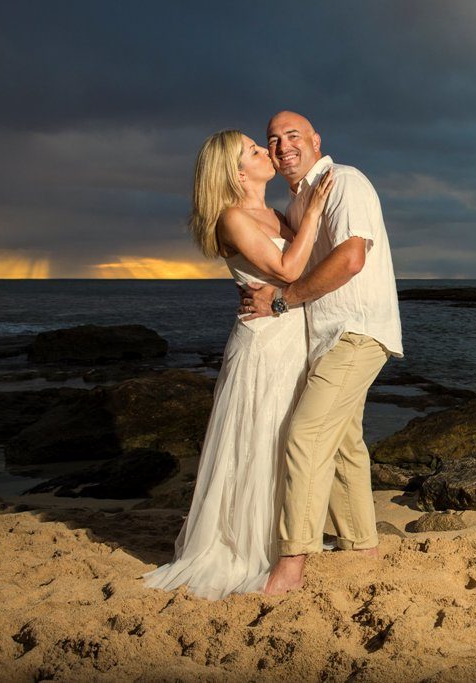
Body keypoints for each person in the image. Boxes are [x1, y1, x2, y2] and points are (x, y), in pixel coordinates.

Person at [143, 129, 334, 599]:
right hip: (264, 345)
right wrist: (312, 214)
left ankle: (287, 538)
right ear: (236, 171)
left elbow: (299, 272)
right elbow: (289, 269)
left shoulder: (274, 212)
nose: (265, 152)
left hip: (293, 335)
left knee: (291, 437)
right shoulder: (232, 218)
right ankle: (253, 548)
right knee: (261, 437)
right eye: (253, 150)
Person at [240, 110, 403, 595]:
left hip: (355, 331)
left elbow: (351, 258)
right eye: (272, 140)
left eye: (293, 135)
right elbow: (287, 267)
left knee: (306, 436)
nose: (283, 145)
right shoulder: (296, 204)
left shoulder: (344, 181)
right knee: (344, 444)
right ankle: (362, 548)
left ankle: (291, 566)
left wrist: (284, 301)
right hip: (324, 338)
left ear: (315, 140)